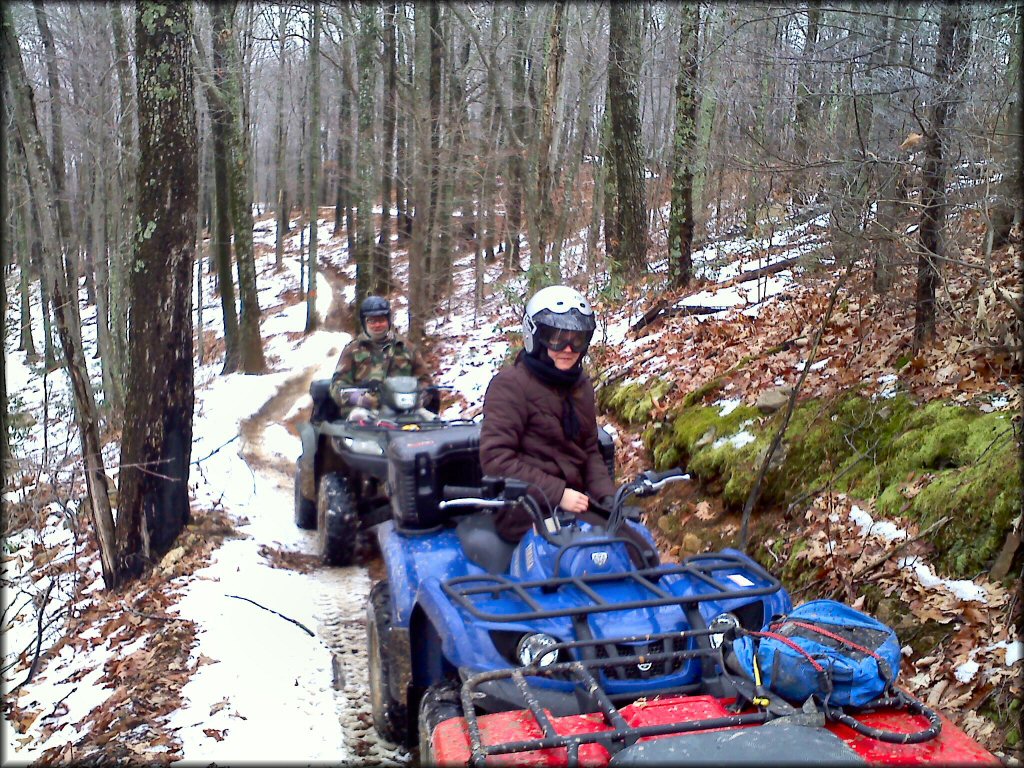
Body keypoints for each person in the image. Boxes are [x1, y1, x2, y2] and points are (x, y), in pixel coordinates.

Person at [479, 285, 616, 543]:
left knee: (633, 546)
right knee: (568, 562)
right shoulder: (510, 385)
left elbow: (589, 451)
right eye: (556, 337)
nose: (567, 348)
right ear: (535, 336)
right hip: (524, 506)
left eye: (577, 339)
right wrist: (558, 493)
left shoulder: (580, 385)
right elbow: (496, 459)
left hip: (577, 502)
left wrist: (608, 497)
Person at [331, 295, 435, 412]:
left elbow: (426, 381)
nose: (377, 325)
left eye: (381, 320)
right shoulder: (352, 350)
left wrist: (418, 397)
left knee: (431, 420)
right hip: (364, 414)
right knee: (359, 415)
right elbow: (337, 386)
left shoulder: (406, 348)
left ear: (388, 321)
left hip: (403, 411)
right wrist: (357, 398)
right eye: (372, 321)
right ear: (364, 323)